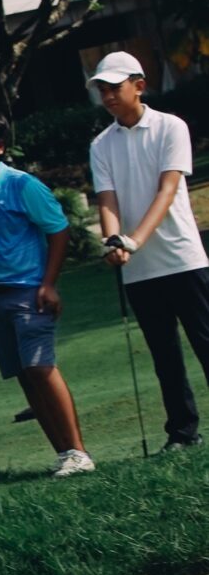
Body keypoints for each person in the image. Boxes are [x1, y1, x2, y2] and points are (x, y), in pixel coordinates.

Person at [0, 110, 95, 477]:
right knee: (25, 376)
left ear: (0, 147)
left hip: (29, 293)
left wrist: (49, 283)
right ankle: (64, 455)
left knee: (40, 368)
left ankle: (79, 452)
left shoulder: (23, 185)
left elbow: (58, 230)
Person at [89, 50, 209, 451]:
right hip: (139, 270)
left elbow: (169, 189)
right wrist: (113, 241)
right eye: (102, 89)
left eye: (114, 87)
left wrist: (134, 240)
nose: (107, 96)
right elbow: (107, 201)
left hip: (182, 258)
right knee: (165, 357)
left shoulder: (170, 127)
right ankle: (182, 433)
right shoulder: (101, 145)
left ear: (139, 85)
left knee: (205, 343)